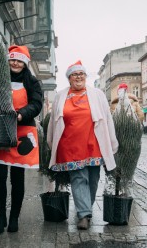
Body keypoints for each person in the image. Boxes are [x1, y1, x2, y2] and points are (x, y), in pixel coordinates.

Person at [47, 60, 118, 230]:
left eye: (81, 74)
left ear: (85, 77)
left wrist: (112, 142)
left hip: (94, 144)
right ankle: (84, 214)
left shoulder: (97, 94)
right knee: (78, 178)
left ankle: (86, 207)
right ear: (69, 78)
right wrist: (51, 143)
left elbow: (107, 119)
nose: (78, 77)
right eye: (74, 74)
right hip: (70, 145)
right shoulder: (60, 96)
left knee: (93, 179)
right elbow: (53, 122)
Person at [0, 45, 43, 233]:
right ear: (7, 61)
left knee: (17, 178)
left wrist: (21, 114)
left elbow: (37, 103)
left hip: (22, 132)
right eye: (12, 60)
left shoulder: (32, 82)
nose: (15, 63)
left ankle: (14, 218)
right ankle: (0, 216)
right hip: (0, 131)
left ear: (25, 63)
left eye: (19, 60)